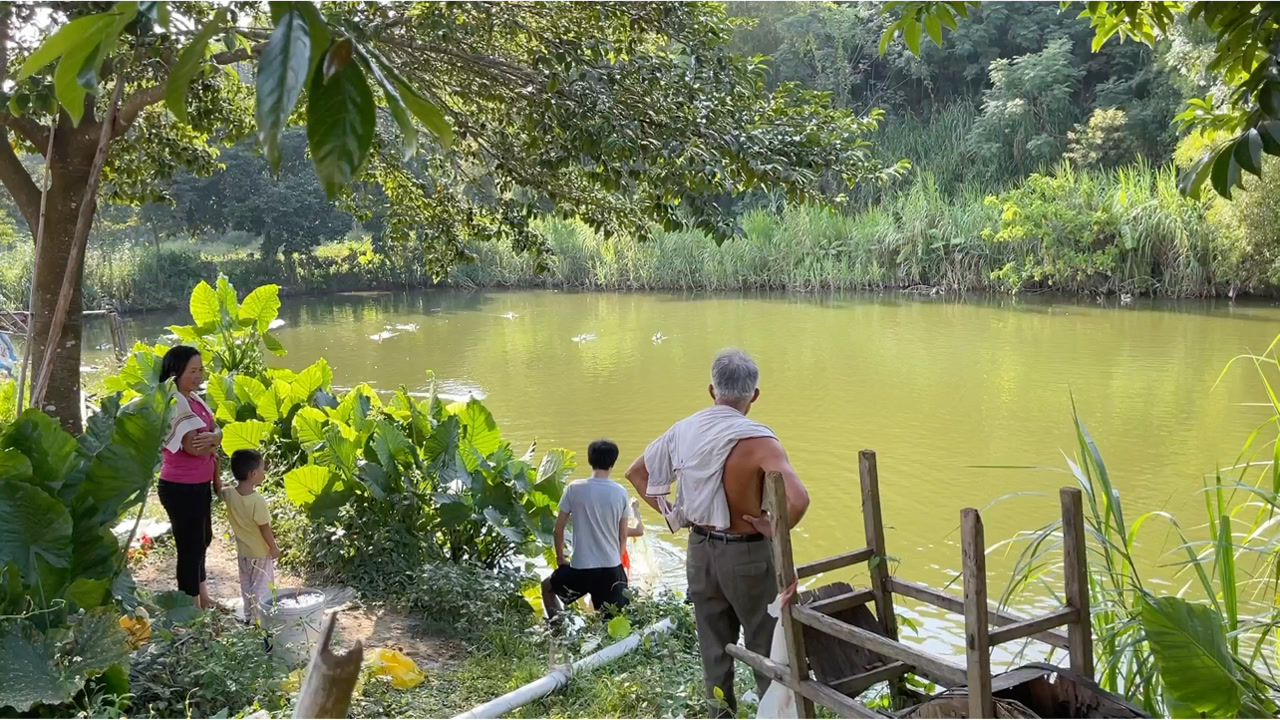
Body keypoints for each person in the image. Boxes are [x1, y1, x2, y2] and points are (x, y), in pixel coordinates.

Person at [625, 348, 810, 717]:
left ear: (712, 390)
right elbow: (799, 499)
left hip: (700, 550)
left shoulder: (683, 431)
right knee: (766, 649)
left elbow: (636, 473)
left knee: (713, 648)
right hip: (747, 554)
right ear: (754, 395)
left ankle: (720, 714)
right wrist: (774, 526)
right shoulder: (759, 441)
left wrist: (676, 514)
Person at [542, 439, 644, 622]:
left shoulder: (574, 489)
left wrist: (560, 559)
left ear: (589, 460)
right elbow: (622, 536)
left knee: (547, 587)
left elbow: (558, 529)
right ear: (613, 462)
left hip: (581, 569)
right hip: (611, 569)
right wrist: (616, 563)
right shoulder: (620, 492)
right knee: (612, 622)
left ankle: (557, 629)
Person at [157, 345, 223, 609]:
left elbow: (215, 429)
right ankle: (190, 608)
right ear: (176, 372)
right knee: (189, 547)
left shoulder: (194, 399)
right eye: (192, 371)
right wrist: (214, 440)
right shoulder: (175, 402)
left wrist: (215, 437)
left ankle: (203, 597)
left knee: (203, 539)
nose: (198, 375)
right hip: (180, 487)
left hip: (199, 484)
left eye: (201, 370)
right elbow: (193, 447)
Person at [220, 449, 279, 622]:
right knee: (261, 587)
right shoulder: (257, 501)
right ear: (253, 474)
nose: (264, 473)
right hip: (260, 553)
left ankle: (248, 615)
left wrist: (215, 468)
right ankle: (260, 620)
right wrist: (273, 548)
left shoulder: (229, 494)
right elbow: (264, 528)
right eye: (262, 470)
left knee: (246, 585)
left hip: (243, 553)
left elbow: (217, 488)